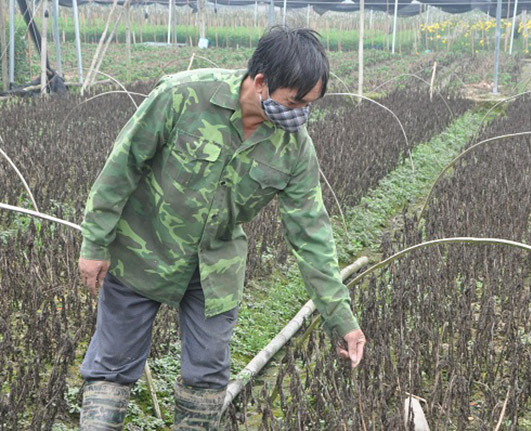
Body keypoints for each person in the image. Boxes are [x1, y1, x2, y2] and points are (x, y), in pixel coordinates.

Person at [77, 27, 366, 430]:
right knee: (112, 365)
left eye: (309, 106)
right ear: (262, 81)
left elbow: (311, 235)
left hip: (213, 270)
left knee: (208, 375)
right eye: (294, 102)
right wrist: (95, 243)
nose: (300, 114)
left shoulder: (294, 147)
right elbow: (122, 167)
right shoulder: (183, 95)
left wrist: (342, 318)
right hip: (143, 250)